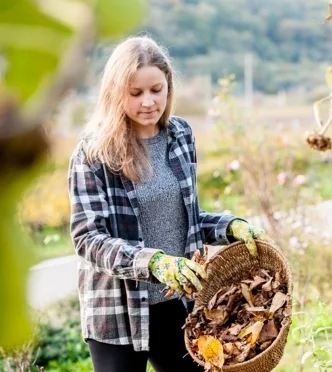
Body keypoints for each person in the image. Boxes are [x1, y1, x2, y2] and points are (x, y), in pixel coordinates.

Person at [67, 35, 272, 372]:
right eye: (136, 93)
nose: (148, 101)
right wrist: (155, 263)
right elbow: (88, 239)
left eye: (156, 90)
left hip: (177, 303)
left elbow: (186, 219)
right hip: (118, 312)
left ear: (168, 87)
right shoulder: (93, 154)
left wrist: (229, 227)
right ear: (115, 93)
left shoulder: (180, 136)